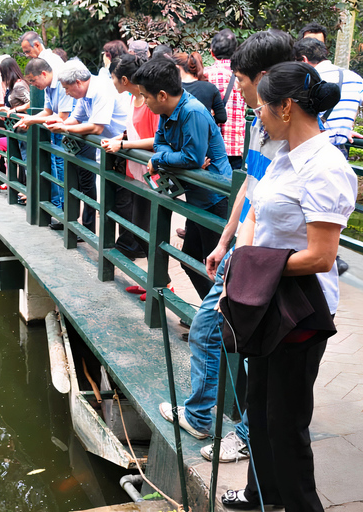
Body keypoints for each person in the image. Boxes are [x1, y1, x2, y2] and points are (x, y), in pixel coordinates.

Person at [221, 61, 355, 512]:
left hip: (300, 307)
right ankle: (265, 492)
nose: (254, 115)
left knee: (286, 421)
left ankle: (301, 503)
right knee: (257, 408)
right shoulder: (283, 155)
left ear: (285, 107)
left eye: (260, 108)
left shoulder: (324, 166)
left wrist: (251, 267)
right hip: (264, 297)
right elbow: (255, 210)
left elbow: (319, 255)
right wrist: (242, 259)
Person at [158, 30, 295, 455]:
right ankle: (201, 416)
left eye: (240, 78)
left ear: (267, 76)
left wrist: (245, 261)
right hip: (246, 252)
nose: (234, 87)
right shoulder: (261, 122)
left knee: (259, 349)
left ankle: (249, 441)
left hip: (271, 260)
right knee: (207, 329)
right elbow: (249, 187)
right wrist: (224, 243)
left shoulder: (299, 135)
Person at [131, 57, 232, 299]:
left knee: (215, 267)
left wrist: (158, 159)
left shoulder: (192, 111)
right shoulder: (168, 111)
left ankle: (220, 325)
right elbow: (159, 143)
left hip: (215, 197)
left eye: (146, 96)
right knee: (190, 261)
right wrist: (167, 155)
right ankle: (211, 319)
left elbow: (191, 158)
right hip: (197, 197)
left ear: (162, 95)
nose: (144, 102)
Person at [102, 53, 170, 292]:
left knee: (150, 231)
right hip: (136, 173)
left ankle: (164, 285)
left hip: (152, 175)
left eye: (112, 78)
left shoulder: (149, 100)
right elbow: (135, 132)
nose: (111, 82)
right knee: (140, 230)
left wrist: (125, 145)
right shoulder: (133, 98)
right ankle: (153, 281)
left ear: (123, 79)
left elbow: (157, 141)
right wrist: (121, 138)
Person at [46, 58, 128, 236]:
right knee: (111, 197)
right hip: (109, 147)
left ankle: (125, 247)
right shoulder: (84, 95)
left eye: (67, 88)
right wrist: (61, 123)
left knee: (122, 200)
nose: (66, 93)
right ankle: (113, 241)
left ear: (78, 82)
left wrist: (64, 127)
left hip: (124, 147)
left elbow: (96, 127)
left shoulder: (101, 89)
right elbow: (76, 118)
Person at [14, 58, 75, 226]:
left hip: (74, 135)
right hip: (62, 134)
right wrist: (30, 118)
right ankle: (60, 211)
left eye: (33, 81)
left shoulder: (62, 84)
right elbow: (48, 111)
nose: (33, 85)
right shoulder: (48, 87)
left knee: (68, 172)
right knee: (58, 166)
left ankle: (67, 216)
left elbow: (62, 116)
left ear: (43, 74)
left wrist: (32, 121)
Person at [294, 37, 363, 157]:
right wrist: (342, 129)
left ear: (304, 60)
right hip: (339, 152)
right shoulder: (355, 79)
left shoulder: (307, 80)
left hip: (309, 151)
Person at [205, 29, 247, 169]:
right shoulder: (244, 77)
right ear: (236, 53)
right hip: (236, 145)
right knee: (233, 187)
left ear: (212, 52)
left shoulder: (205, 75)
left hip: (210, 145)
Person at [0, 58, 30, 199]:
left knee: (27, 159)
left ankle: (30, 192)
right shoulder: (15, 85)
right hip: (19, 128)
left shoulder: (19, 85)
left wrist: (15, 110)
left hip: (25, 127)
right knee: (23, 158)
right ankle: (27, 190)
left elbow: (31, 102)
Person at [173, 51, 227, 125]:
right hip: (203, 134)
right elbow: (222, 117)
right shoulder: (210, 88)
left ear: (177, 67)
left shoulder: (173, 89)